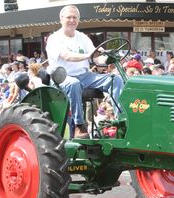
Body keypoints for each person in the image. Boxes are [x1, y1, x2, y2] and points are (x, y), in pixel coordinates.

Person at [46, 5, 124, 139]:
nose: (72, 20)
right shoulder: (54, 38)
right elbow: (67, 56)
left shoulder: (83, 37)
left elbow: (95, 57)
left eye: (74, 17)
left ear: (78, 20)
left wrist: (108, 58)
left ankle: (121, 119)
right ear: (61, 19)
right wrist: (89, 56)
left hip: (85, 76)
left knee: (115, 79)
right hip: (62, 77)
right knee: (74, 83)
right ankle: (79, 125)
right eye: (69, 17)